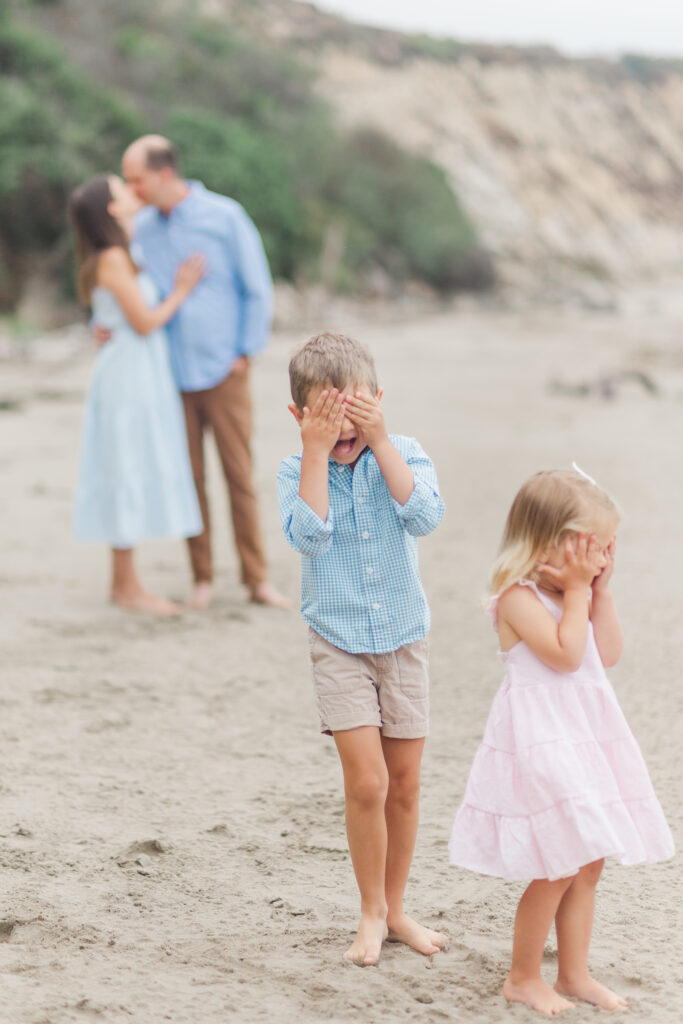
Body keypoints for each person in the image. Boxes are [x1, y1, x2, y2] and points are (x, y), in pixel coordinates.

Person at [449, 468, 674, 1016]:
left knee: (588, 860)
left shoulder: (581, 593)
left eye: (606, 548)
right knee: (557, 862)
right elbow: (566, 655)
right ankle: (523, 977)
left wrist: (600, 592)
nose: (600, 557)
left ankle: (574, 973)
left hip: (586, 735)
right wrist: (576, 592)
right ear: (550, 544)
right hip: (542, 741)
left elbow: (607, 652)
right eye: (591, 547)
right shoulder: (517, 598)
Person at [278, 332, 447, 966]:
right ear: (299, 417)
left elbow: (426, 516)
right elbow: (311, 538)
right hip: (339, 642)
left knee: (404, 784)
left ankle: (397, 907)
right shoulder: (297, 469)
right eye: (325, 418)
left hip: (403, 638)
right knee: (368, 782)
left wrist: (378, 440)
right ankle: (370, 910)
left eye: (355, 414)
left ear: (377, 401)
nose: (341, 430)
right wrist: (317, 452)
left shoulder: (401, 452)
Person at [118, 134, 289, 610]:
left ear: (164, 174)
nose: (132, 190)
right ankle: (203, 579)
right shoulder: (144, 227)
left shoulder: (225, 216)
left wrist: (245, 353)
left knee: (239, 475)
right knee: (189, 479)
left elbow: (257, 288)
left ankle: (257, 580)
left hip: (224, 370)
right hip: (170, 375)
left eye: (137, 179)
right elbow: (126, 287)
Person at [69, 174, 205, 614]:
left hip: (138, 369)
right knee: (124, 466)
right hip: (127, 374)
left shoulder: (122, 250)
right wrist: (183, 289)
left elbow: (114, 314)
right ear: (111, 208)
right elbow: (144, 322)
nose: (132, 192)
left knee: (130, 462)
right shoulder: (111, 257)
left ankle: (123, 583)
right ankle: (128, 587)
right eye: (122, 188)